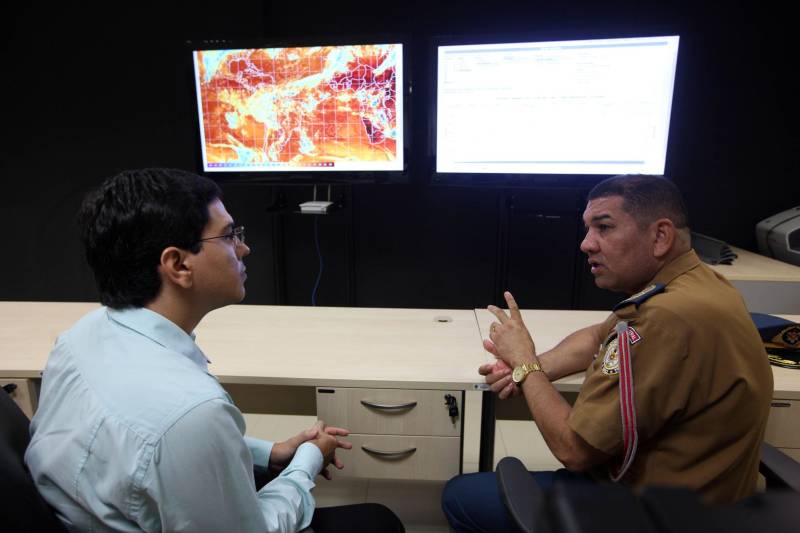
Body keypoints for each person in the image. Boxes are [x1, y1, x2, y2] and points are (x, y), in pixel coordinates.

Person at [25, 168, 404, 533]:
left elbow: (147, 450)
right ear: (178, 265)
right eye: (228, 236)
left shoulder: (80, 337)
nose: (245, 248)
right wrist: (306, 463)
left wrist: (268, 454)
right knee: (380, 521)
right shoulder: (190, 415)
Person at [442, 174, 773, 532]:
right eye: (587, 230)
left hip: (656, 513)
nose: (586, 244)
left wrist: (524, 363)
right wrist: (532, 367)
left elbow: (574, 450)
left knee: (460, 496)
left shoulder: (664, 319)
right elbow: (596, 337)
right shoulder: (695, 285)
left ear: (660, 236)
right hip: (715, 498)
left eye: (604, 227)